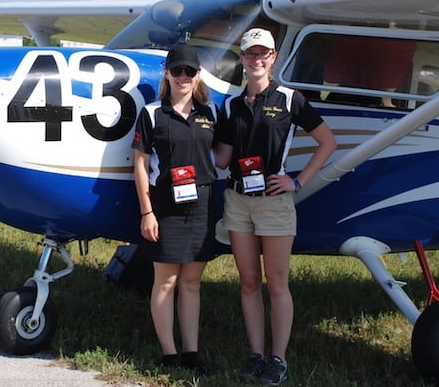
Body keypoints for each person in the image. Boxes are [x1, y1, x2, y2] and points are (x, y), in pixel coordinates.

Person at [214, 28, 337, 386]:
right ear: (241, 58)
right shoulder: (230, 105)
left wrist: (297, 181)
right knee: (249, 282)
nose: (256, 60)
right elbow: (222, 157)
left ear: (273, 58)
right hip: (237, 200)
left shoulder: (289, 99)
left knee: (277, 284)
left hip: (274, 202)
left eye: (262, 54)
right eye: (250, 54)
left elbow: (327, 143)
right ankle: (256, 354)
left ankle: (278, 359)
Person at [132, 44, 218, 375]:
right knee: (165, 281)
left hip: (202, 204)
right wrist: (147, 211)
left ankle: (192, 354)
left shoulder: (211, 112)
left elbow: (220, 156)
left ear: (198, 76)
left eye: (189, 71)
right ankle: (169, 355)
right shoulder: (152, 113)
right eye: (177, 70)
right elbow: (140, 164)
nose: (183, 77)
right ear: (167, 73)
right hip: (165, 206)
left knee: (192, 282)